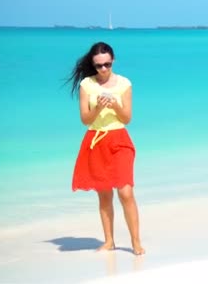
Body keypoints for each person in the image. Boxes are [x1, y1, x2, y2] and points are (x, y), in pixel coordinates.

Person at [66, 41, 145, 255]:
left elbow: (127, 118)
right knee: (104, 195)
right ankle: (109, 241)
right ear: (93, 65)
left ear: (113, 61)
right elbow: (85, 119)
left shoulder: (124, 84)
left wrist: (116, 105)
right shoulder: (87, 85)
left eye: (107, 64)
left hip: (119, 139)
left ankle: (136, 241)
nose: (103, 69)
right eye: (99, 65)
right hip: (95, 141)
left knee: (125, 191)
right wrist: (99, 106)